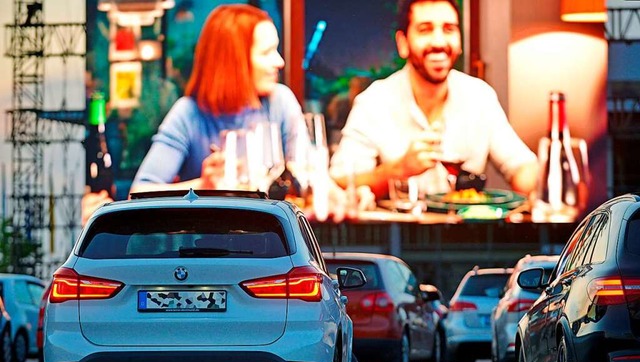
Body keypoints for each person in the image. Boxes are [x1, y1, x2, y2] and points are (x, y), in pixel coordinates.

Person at [81, 4, 347, 224]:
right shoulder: (189, 113)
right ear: (235, 60)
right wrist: (204, 185)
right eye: (267, 52)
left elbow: (311, 173)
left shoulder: (280, 102)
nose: (280, 62)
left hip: (271, 241)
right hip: (203, 248)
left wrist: (338, 195)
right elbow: (141, 192)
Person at [328, 0, 538, 200]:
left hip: (466, 233)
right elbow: (341, 181)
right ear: (403, 43)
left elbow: (521, 167)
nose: (439, 42)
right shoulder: (375, 102)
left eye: (449, 29)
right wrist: (399, 170)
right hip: (398, 235)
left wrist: (545, 184)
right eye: (425, 30)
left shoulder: (480, 96)